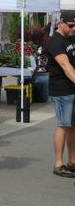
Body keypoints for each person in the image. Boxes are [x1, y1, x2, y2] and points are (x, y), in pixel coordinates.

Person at [44, 11, 75, 178]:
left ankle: (72, 161)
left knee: (73, 126)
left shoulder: (70, 38)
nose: (73, 28)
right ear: (61, 23)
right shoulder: (54, 41)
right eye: (71, 25)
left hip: (72, 89)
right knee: (63, 126)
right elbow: (65, 65)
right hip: (62, 90)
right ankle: (58, 163)